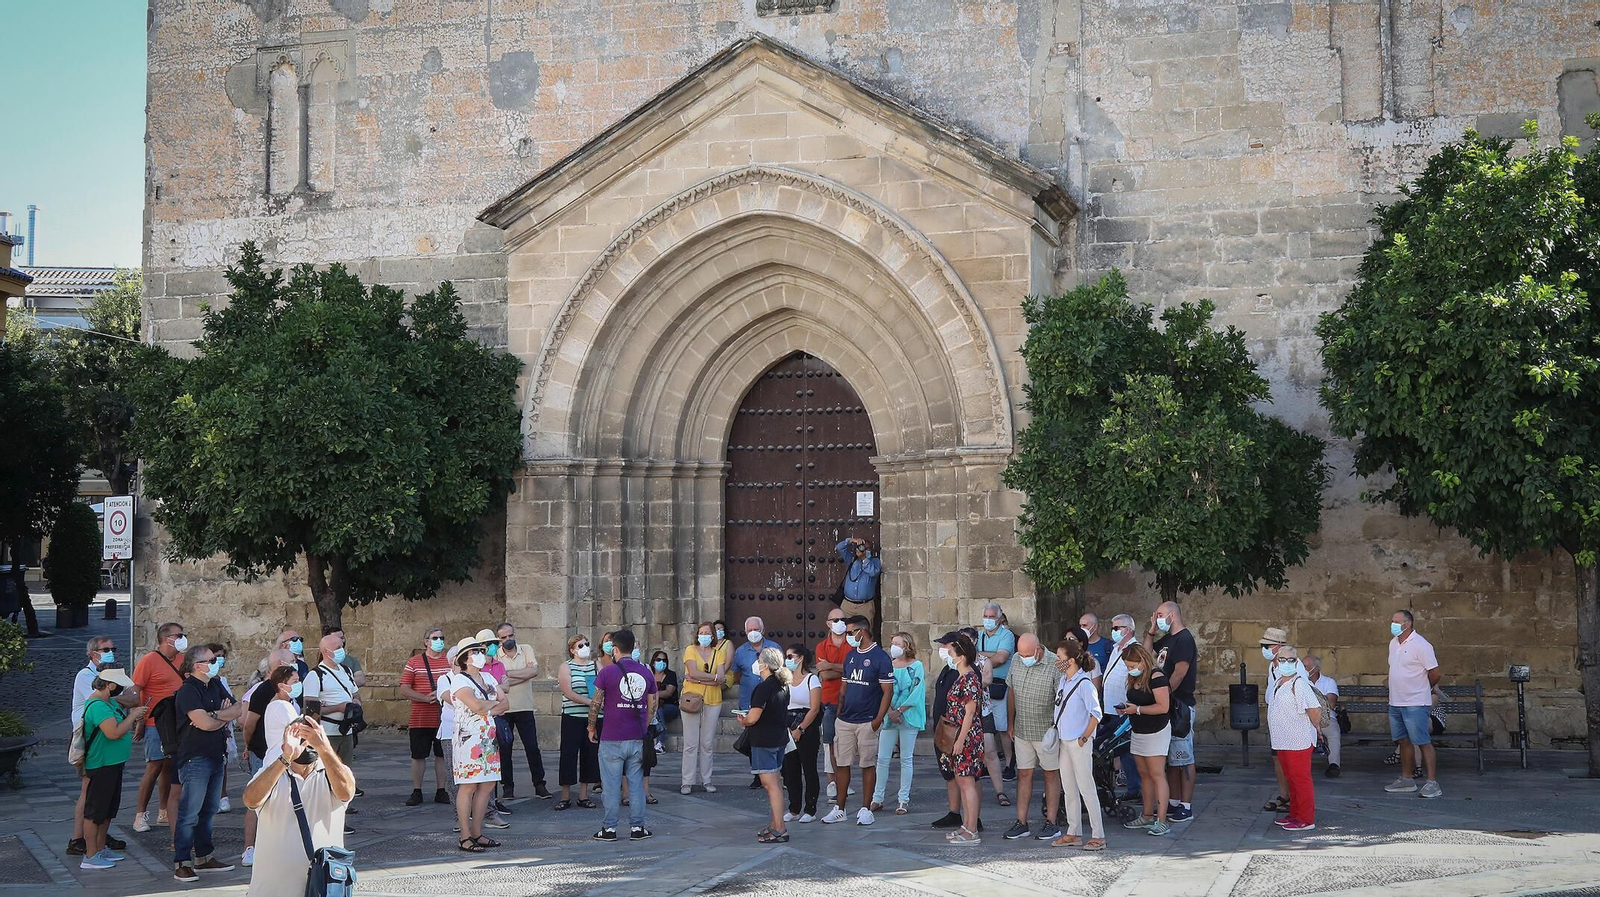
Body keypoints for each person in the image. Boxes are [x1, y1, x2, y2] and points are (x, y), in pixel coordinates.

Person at [243, 719, 354, 897]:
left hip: (322, 889)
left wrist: (325, 749)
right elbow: (250, 800)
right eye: (300, 738)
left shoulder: (332, 773)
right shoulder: (271, 774)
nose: (306, 745)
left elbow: (346, 792)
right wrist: (286, 757)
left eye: (311, 739)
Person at [172, 644, 246, 883]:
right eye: (211, 660)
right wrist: (220, 717)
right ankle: (182, 861)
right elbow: (202, 723)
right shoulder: (188, 691)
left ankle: (204, 856)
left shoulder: (214, 684)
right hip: (195, 757)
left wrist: (214, 715)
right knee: (189, 813)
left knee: (208, 811)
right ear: (197, 666)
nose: (216, 662)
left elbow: (238, 709)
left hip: (216, 754)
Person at [821, 615, 892, 826]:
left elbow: (887, 691)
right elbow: (844, 686)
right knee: (842, 764)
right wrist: (839, 711)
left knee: (867, 764)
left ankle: (865, 808)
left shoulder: (880, 657)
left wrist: (877, 720)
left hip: (867, 720)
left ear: (863, 631)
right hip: (845, 720)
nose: (848, 637)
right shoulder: (851, 656)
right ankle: (840, 808)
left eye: (851, 633)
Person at [590, 629, 656, 841]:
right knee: (636, 785)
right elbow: (652, 704)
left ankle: (609, 829)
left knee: (610, 786)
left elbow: (596, 703)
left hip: (611, 737)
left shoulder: (607, 673)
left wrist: (591, 727)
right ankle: (638, 827)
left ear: (615, 649)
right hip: (636, 736)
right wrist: (644, 727)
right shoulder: (646, 672)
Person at [79, 668, 147, 870]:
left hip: (113, 763)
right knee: (95, 812)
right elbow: (113, 733)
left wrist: (134, 706)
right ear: (109, 685)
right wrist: (133, 716)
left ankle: (100, 848)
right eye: (119, 686)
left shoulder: (110, 702)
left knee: (107, 810)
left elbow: (130, 700)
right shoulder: (98, 706)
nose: (121, 689)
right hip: (101, 764)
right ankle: (90, 855)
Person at [448, 636, 508, 852]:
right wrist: (491, 706)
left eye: (480, 651)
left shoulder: (488, 677)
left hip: (488, 738)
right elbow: (475, 706)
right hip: (468, 739)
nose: (480, 655)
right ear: (465, 658)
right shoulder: (459, 680)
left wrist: (487, 706)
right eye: (475, 652)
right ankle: (465, 836)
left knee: (488, 785)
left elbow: (505, 703)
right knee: (469, 785)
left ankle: (477, 832)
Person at [1002, 633, 1062, 841]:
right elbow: (1011, 692)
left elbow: (1061, 699)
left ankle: (1051, 822)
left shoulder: (1055, 663)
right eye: (1021, 653)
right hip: (1022, 730)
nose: (1023, 657)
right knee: (1024, 774)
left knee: (1050, 774)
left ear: (1038, 649)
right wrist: (1011, 722)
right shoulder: (1017, 660)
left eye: (1027, 654)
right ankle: (1021, 822)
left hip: (1046, 731)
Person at [70, 636, 125, 857]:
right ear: (94, 654)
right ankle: (79, 838)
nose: (111, 651)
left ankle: (98, 839)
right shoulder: (86, 676)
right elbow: (116, 699)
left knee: (104, 798)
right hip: (91, 740)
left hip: (106, 745)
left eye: (113, 648)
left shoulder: (110, 674)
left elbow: (127, 697)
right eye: (106, 649)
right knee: (90, 793)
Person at [240, 649, 297, 866]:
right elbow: (249, 723)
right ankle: (250, 847)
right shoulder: (265, 692)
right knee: (257, 799)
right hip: (266, 754)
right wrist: (248, 745)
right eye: (293, 661)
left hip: (283, 756)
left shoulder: (287, 696)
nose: (297, 663)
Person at [131, 621, 187, 834]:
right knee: (153, 766)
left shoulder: (182, 659)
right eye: (178, 635)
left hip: (177, 722)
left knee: (169, 767)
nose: (182, 638)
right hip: (156, 722)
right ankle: (140, 814)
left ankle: (164, 810)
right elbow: (136, 691)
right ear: (166, 639)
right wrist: (139, 721)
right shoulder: (149, 661)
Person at [1052, 636, 1105, 849]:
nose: (1057, 661)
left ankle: (1098, 834)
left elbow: (1096, 713)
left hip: (1078, 741)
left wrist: (1084, 737)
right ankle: (1073, 831)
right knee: (1069, 787)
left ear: (1071, 660)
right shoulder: (1064, 680)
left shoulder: (1084, 683)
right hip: (1065, 741)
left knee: (1086, 787)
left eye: (1059, 657)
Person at [736, 645, 792, 843]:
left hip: (764, 740)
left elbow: (753, 717)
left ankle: (780, 829)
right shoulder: (782, 685)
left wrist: (744, 720)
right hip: (778, 739)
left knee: (771, 786)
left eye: (760, 661)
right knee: (775, 783)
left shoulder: (763, 688)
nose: (757, 665)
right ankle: (775, 824)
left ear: (766, 665)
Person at [1147, 600, 1197, 821]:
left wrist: (1164, 694)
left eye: (1159, 615)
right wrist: (1151, 631)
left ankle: (1185, 805)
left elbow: (1180, 671)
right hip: (1169, 704)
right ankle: (1174, 801)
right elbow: (1147, 653)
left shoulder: (1184, 639)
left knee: (1183, 756)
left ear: (1172, 616)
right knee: (1172, 758)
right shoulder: (1167, 639)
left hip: (1180, 705)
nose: (1157, 618)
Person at [1116, 643, 1172, 836]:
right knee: (1144, 774)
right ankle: (1147, 815)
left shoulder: (1157, 677)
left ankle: (1162, 819)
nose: (1130, 669)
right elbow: (1137, 700)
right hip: (1139, 730)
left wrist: (1137, 709)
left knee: (1157, 774)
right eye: (1127, 666)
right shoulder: (1136, 678)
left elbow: (1163, 706)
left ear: (1142, 661)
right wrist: (1127, 707)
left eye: (1132, 665)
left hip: (1156, 730)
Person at [1385, 609, 1442, 798]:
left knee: (1422, 741)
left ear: (1407, 624)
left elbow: (1435, 673)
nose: (1392, 624)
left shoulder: (1421, 645)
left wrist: (1424, 688)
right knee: (1403, 741)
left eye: (1395, 621)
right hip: (1396, 701)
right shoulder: (1394, 643)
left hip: (1416, 702)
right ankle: (1406, 779)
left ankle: (1432, 783)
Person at [937, 632, 984, 845]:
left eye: (952, 653)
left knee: (967, 782)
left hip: (966, 737)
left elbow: (970, 712)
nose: (949, 656)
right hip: (960, 735)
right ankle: (966, 825)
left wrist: (959, 740)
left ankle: (972, 829)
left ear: (962, 656)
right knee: (961, 780)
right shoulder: (962, 677)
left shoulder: (971, 678)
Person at [494, 622, 551, 801]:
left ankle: (539, 784)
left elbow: (533, 671)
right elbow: (496, 681)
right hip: (504, 708)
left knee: (532, 747)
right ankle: (507, 786)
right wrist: (521, 675)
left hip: (524, 707)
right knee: (504, 749)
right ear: (498, 639)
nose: (508, 639)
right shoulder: (495, 654)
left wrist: (508, 675)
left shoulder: (526, 649)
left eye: (510, 635)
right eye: (503, 637)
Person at [1267, 646, 1321, 831]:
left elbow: (1314, 710)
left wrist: (1316, 728)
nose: (1287, 663)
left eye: (1291, 660)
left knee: (1301, 779)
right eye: (1283, 660)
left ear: (1296, 662)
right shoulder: (1279, 682)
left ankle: (1306, 818)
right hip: (1283, 740)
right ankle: (1295, 814)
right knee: (1291, 779)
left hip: (1298, 740)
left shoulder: (1300, 684)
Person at [871, 632, 924, 815]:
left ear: (906, 646)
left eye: (897, 643)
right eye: (892, 642)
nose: (893, 646)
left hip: (908, 716)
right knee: (883, 758)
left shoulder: (916, 666)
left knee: (906, 759)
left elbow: (916, 690)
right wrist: (889, 712)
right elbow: (882, 691)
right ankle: (877, 798)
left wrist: (900, 711)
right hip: (889, 715)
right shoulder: (888, 665)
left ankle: (903, 799)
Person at [400, 626, 453, 807]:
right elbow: (404, 687)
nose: (439, 641)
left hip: (443, 718)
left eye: (442, 637)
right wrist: (423, 698)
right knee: (418, 755)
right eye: (435, 638)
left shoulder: (450, 662)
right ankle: (417, 790)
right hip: (420, 717)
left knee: (442, 755)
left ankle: (441, 790)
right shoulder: (414, 662)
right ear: (426, 642)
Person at [927, 632, 973, 831]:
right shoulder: (949, 670)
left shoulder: (966, 675)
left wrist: (961, 738)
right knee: (950, 774)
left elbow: (970, 710)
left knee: (967, 778)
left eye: (947, 646)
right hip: (945, 731)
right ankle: (955, 813)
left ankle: (972, 821)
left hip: (959, 733)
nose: (943, 650)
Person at [679, 622, 729, 794]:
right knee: (690, 743)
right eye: (701, 632)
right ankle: (687, 781)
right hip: (692, 699)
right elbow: (692, 672)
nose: (704, 635)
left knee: (707, 743)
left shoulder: (719, 653)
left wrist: (700, 679)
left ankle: (706, 780)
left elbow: (721, 678)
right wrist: (711, 678)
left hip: (713, 700)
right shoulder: (690, 650)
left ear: (713, 635)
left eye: (707, 632)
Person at [733, 616, 782, 789]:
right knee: (753, 738)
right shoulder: (740, 652)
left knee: (774, 737)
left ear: (762, 630)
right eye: (749, 630)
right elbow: (737, 675)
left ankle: (777, 773)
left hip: (773, 700)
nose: (753, 633)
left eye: (756, 629)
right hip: (749, 700)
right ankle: (757, 774)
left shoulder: (774, 648)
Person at [302, 633, 361, 766]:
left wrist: (356, 702)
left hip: (347, 730)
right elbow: (310, 712)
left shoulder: (346, 671)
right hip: (327, 733)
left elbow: (355, 693)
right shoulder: (315, 675)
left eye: (342, 646)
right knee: (326, 771)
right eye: (338, 647)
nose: (342, 650)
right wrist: (338, 708)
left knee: (346, 771)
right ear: (325, 651)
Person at [557, 635, 601, 808]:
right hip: (572, 716)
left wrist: (596, 704)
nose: (584, 647)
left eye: (587, 644)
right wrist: (590, 701)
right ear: (572, 650)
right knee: (568, 754)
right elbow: (568, 692)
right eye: (580, 645)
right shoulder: (566, 666)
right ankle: (565, 796)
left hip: (592, 717)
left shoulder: (596, 665)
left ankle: (584, 795)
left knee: (590, 754)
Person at [1102, 615, 1141, 803]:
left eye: (1117, 628)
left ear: (1128, 630)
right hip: (1112, 706)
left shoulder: (1134, 649)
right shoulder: (1117, 648)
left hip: (1124, 708)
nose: (1114, 631)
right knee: (1119, 749)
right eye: (1113, 627)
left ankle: (1136, 787)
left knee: (1128, 750)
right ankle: (1132, 786)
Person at [781, 644, 823, 822]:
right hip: (788, 723)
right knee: (790, 769)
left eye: (790, 656)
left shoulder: (811, 680)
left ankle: (810, 808)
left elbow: (814, 709)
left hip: (806, 724)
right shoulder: (784, 680)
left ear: (800, 658)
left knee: (809, 767)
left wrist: (801, 728)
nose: (787, 660)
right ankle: (794, 807)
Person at [813, 606, 851, 800]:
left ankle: (843, 780)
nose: (840, 623)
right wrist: (842, 669)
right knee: (829, 741)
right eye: (835, 620)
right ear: (828, 623)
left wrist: (831, 666)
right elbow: (825, 675)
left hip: (849, 700)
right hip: (829, 700)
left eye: (842, 619)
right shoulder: (821, 646)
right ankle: (831, 782)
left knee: (846, 743)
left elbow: (853, 669)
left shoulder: (852, 644)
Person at [977, 603, 1017, 782]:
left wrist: (981, 656)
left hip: (1001, 685)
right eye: (986, 616)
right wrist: (989, 655)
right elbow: (972, 655)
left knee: (1003, 727)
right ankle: (986, 765)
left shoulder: (1006, 635)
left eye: (992, 617)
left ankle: (1009, 765)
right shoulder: (979, 635)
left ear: (1000, 618)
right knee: (984, 727)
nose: (988, 620)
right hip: (983, 686)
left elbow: (1001, 658)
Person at [835, 537, 883, 633]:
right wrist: (850, 540)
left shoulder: (875, 562)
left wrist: (864, 559)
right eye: (862, 548)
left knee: (866, 632)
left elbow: (873, 572)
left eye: (867, 549)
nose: (864, 551)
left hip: (865, 605)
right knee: (843, 630)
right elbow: (839, 548)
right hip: (848, 604)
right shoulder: (851, 560)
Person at [1303, 655, 1341, 776]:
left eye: (1305, 666)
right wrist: (1320, 700)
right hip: (1305, 718)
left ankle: (1334, 765)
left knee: (1334, 732)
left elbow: (1331, 703)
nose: (1303, 669)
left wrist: (1311, 701)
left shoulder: (1329, 682)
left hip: (1325, 718)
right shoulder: (1300, 682)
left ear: (1316, 668)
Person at [649, 650, 679, 755]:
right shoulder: (648, 674)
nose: (661, 662)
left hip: (670, 707)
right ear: (653, 662)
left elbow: (668, 693)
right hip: (651, 707)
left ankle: (660, 743)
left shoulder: (671, 675)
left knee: (658, 708)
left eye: (664, 660)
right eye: (658, 660)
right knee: (657, 708)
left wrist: (651, 694)